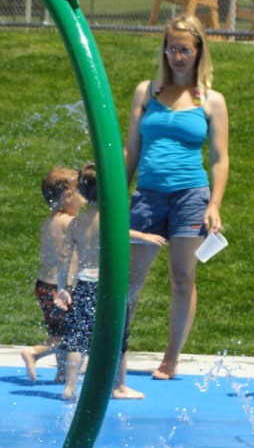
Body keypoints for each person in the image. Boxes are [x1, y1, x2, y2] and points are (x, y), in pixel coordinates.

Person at [123, 14, 229, 380]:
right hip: (148, 195)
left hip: (190, 196)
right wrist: (112, 197)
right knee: (130, 280)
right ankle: (114, 352)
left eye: (184, 49)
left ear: (198, 51)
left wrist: (214, 204)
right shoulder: (146, 91)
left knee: (182, 277)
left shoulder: (210, 100)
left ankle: (171, 357)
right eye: (172, 48)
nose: (177, 56)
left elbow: (220, 159)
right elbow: (131, 151)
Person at [55, 163, 161, 400]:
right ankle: (118, 386)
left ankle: (69, 387)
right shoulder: (112, 219)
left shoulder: (76, 222)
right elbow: (123, 233)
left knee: (78, 340)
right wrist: (144, 237)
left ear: (82, 191)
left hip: (83, 285)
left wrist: (63, 288)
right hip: (109, 288)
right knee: (118, 337)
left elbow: (64, 257)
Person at [21, 166, 84, 383]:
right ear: (68, 195)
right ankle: (35, 352)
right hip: (61, 288)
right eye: (82, 193)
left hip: (44, 286)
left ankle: (60, 373)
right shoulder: (69, 223)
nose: (84, 200)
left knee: (58, 330)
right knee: (70, 335)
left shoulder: (49, 221)